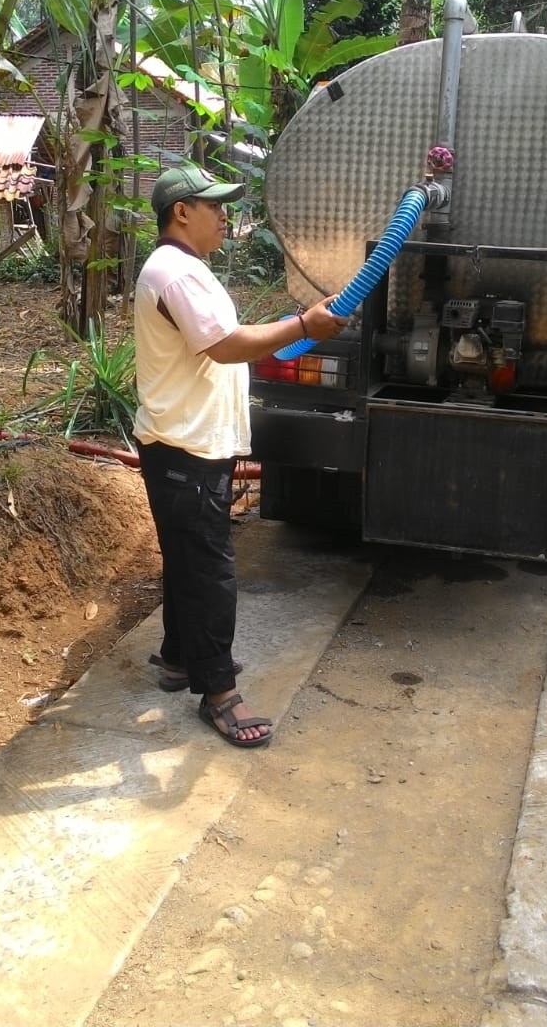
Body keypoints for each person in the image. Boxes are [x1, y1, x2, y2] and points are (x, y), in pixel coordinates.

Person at [133, 164, 347, 749]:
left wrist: (298, 325)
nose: (225, 215)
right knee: (209, 568)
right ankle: (220, 693)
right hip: (187, 446)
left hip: (182, 441)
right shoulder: (177, 273)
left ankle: (181, 659)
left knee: (187, 557)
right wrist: (302, 323)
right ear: (182, 212)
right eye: (215, 206)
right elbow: (226, 346)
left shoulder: (179, 269)